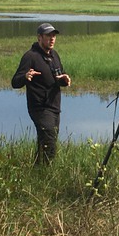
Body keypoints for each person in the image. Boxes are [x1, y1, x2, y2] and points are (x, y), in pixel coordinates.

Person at [11, 23, 72, 165]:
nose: (52, 39)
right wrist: (25, 76)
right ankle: (45, 173)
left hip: (55, 106)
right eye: (48, 36)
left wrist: (64, 80)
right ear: (39, 37)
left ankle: (38, 172)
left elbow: (58, 77)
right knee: (49, 142)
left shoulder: (54, 55)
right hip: (40, 108)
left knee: (47, 141)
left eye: (54, 36)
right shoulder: (30, 56)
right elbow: (15, 82)